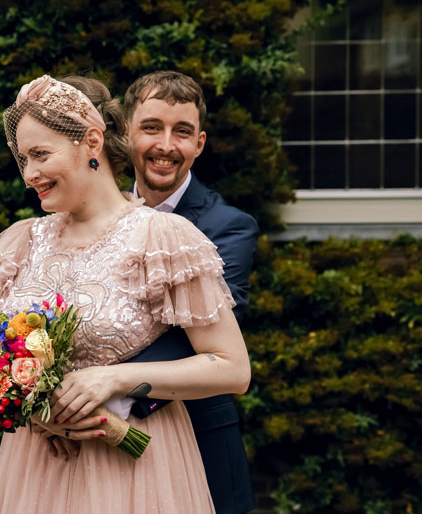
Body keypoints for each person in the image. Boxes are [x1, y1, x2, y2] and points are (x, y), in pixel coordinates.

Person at [0, 74, 251, 513]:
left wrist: (113, 379)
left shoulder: (163, 237)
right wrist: (39, 410)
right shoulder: (21, 243)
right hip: (36, 468)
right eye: (23, 158)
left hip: (134, 471)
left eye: (41, 154)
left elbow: (232, 368)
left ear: (91, 142)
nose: (29, 174)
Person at [123, 70, 259, 514]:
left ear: (199, 144)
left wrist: (101, 386)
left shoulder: (228, 227)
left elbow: (194, 338)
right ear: (125, 133)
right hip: (101, 449)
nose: (166, 145)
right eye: (151, 127)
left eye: (181, 132)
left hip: (199, 440)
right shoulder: (97, 216)